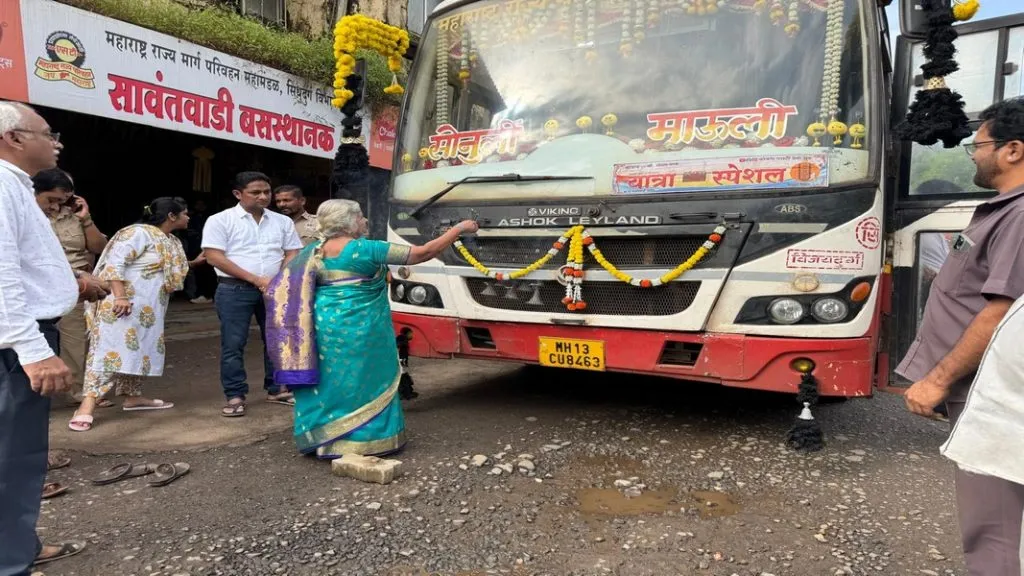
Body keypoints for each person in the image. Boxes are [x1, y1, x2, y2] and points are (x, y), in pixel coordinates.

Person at [898, 97, 1024, 575]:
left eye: (979, 144)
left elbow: (1002, 310)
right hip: (982, 390)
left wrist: (937, 379)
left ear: (1012, 151)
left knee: (995, 528)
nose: (973, 153)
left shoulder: (1020, 214)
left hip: (993, 395)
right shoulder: (1004, 210)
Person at [265, 199, 478, 458]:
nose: (365, 221)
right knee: (367, 380)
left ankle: (326, 440)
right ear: (350, 221)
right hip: (363, 329)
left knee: (333, 380)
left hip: (325, 327)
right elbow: (421, 254)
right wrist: (459, 229)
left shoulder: (313, 252)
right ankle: (367, 441)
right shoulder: (366, 249)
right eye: (362, 217)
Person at [0, 100, 106, 574]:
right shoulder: (2, 185)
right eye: (48, 132)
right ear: (14, 138)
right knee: (13, 459)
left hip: (17, 339)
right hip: (13, 346)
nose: (57, 142)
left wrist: (74, 283)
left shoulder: (16, 186)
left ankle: (17, 546)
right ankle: (11, 560)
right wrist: (32, 350)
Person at [68, 198, 192, 431]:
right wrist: (121, 297)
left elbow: (167, 269)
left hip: (149, 308)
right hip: (122, 303)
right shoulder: (137, 233)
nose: (188, 217)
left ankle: (132, 396)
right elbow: (115, 264)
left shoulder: (171, 240)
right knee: (108, 351)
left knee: (140, 350)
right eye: (185, 213)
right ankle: (86, 406)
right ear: (172, 216)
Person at [202, 172, 303, 417]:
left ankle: (277, 388)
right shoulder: (220, 220)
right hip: (234, 289)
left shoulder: (282, 222)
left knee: (276, 340)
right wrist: (257, 280)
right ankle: (235, 395)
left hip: (274, 288)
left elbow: (292, 252)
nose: (264, 197)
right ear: (238, 194)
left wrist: (278, 279)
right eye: (256, 192)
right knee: (234, 344)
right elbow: (214, 256)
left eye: (267, 192)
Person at [32, 168, 109, 406]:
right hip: (39, 286)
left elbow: (99, 247)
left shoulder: (73, 216)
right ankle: (28, 393)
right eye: (53, 199)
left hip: (74, 286)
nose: (57, 205)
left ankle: (77, 391)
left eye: (64, 198)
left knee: (74, 340)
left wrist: (85, 218)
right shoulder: (27, 214)